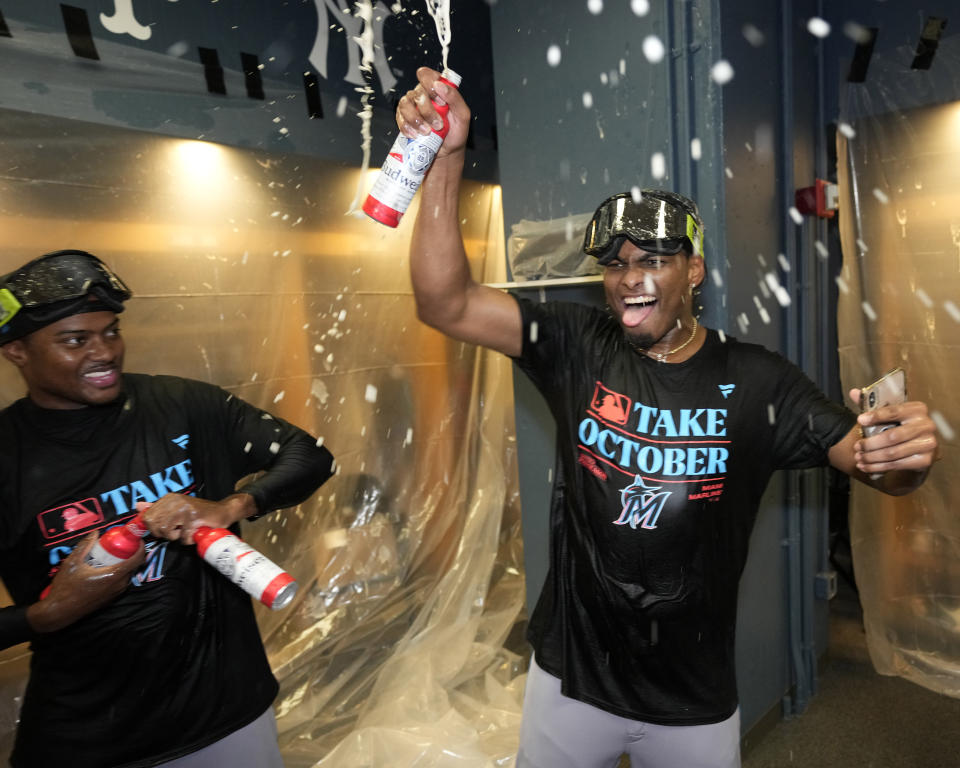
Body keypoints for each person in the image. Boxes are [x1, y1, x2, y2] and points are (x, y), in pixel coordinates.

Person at [399, 67, 939, 768]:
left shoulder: (756, 380)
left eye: (656, 258)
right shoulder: (574, 344)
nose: (632, 277)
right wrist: (444, 159)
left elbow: (864, 461)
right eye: (619, 263)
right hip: (570, 682)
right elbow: (445, 302)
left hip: (691, 699)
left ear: (695, 271)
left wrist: (898, 457)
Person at [0, 250, 335, 767]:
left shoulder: (179, 405)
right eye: (75, 340)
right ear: (16, 350)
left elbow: (308, 456)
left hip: (226, 718)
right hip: (89, 741)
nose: (104, 352)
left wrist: (232, 506)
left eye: (111, 331)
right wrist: (45, 615)